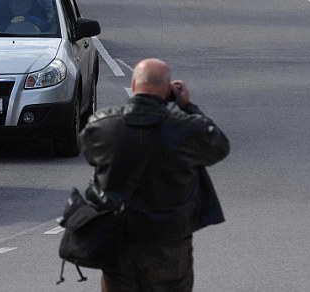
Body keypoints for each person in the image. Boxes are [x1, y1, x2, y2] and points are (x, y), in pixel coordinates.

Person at [79, 58, 230, 292]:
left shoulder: (104, 126)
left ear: (133, 83)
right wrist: (188, 106)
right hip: (169, 243)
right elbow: (219, 147)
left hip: (120, 240)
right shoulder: (186, 128)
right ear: (169, 89)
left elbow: (90, 154)